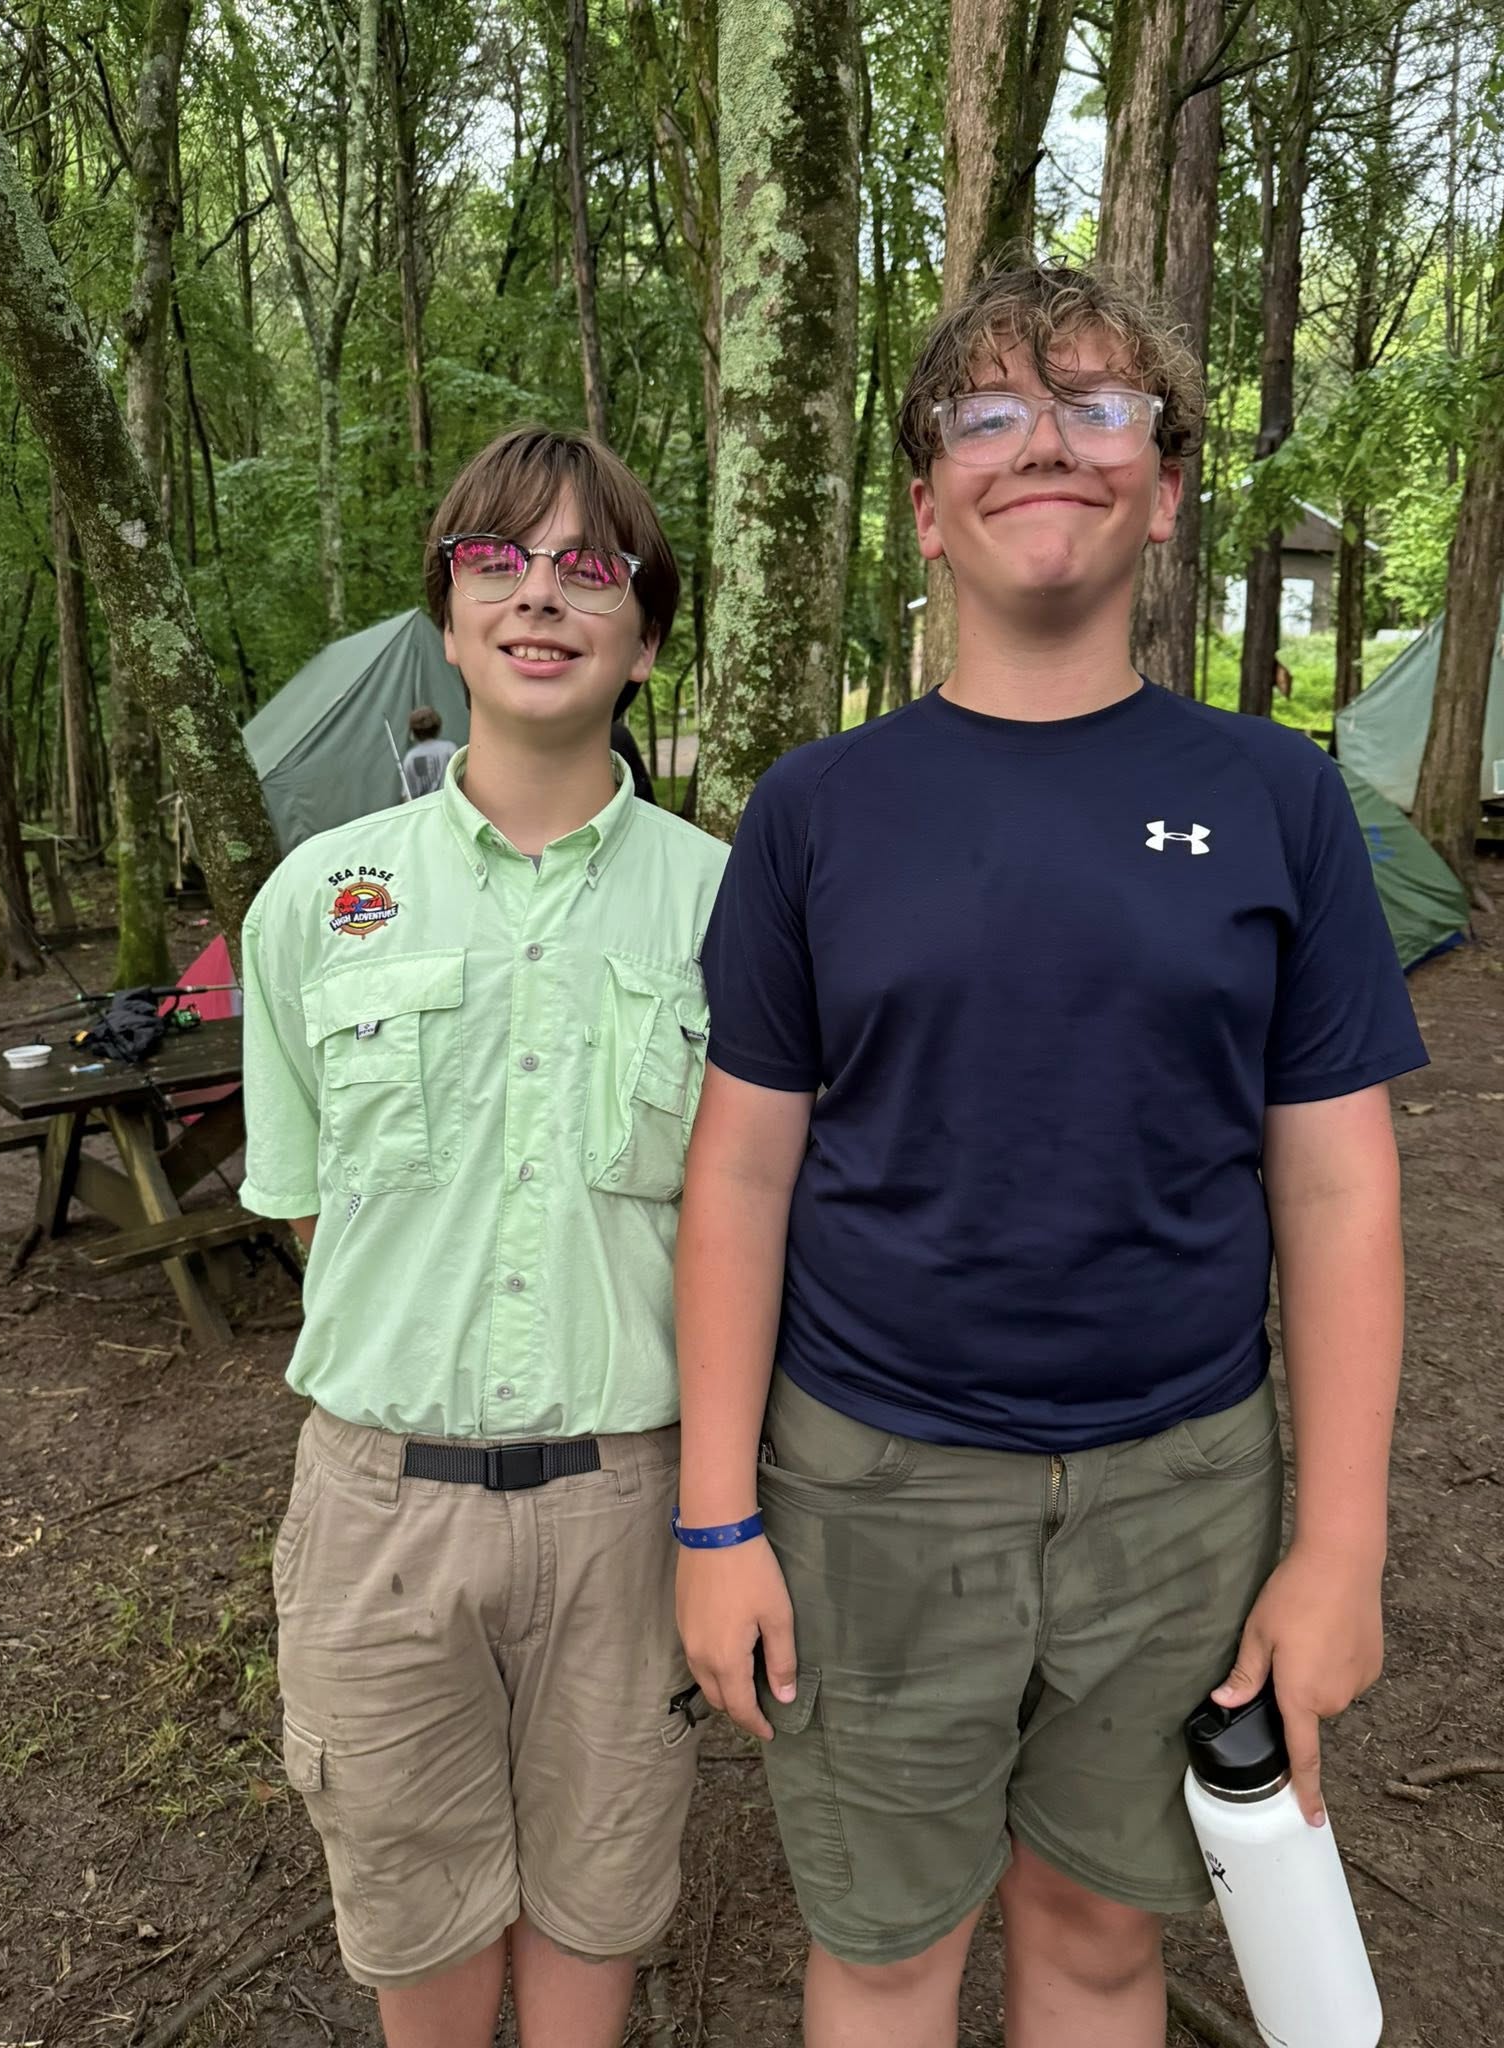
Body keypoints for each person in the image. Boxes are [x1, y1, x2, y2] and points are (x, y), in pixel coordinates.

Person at [673, 261, 1426, 2048]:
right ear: (927, 503)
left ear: (1162, 491)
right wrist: (715, 1518)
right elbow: (741, 1176)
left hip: (1182, 1489)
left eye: (1097, 407)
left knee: (1097, 1933)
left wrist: (1340, 1547)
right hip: (870, 1485)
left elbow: (1336, 1185)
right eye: (990, 414)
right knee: (885, 1951)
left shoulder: (1278, 798)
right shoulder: (815, 811)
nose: (1046, 445)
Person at [240, 425, 727, 2048]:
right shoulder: (316, 902)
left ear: (644, 639)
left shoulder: (728, 907)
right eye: (496, 560)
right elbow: (309, 1204)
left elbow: (751, 1218)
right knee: (415, 1901)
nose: (540, 594)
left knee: (600, 1892)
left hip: (631, 1506)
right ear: (445, 620)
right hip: (381, 1513)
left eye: (592, 566)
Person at [400, 704, 458, 798]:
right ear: (438, 727)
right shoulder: (450, 748)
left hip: (422, 805)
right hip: (448, 801)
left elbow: (407, 795)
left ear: (413, 732)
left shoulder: (410, 757)